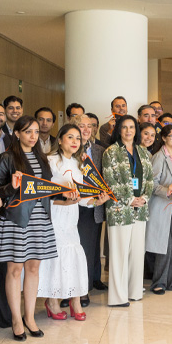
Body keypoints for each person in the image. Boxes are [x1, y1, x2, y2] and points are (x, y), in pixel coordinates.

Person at [0, 115, 57, 340]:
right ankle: (16, 319)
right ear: (17, 133)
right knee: (15, 269)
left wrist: (65, 193)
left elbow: (47, 188)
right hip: (16, 218)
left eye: (36, 132)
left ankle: (29, 317)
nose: (33, 136)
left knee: (33, 268)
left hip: (40, 217)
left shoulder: (42, 157)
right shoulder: (7, 157)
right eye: (28, 131)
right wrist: (12, 186)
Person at [102, 115, 155, 306]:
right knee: (119, 253)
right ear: (119, 130)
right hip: (119, 209)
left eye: (132, 127)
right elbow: (109, 181)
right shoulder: (111, 152)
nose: (128, 131)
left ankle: (134, 292)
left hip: (140, 209)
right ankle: (117, 297)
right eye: (124, 127)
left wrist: (144, 198)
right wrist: (130, 199)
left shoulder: (143, 151)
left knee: (137, 252)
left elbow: (149, 179)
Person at [40, 124, 91, 320]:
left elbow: (83, 195)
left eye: (78, 138)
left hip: (71, 216)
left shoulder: (80, 164)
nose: (75, 142)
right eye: (70, 137)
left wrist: (95, 200)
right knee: (57, 256)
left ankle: (75, 299)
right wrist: (64, 195)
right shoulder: (50, 161)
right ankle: (52, 300)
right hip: (55, 213)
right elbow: (45, 191)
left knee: (73, 254)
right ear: (60, 140)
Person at [146, 125, 172, 294]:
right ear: (163, 138)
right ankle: (159, 282)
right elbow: (153, 185)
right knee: (165, 245)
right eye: (171, 136)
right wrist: (167, 191)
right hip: (163, 205)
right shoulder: (158, 157)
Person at [75, 114, 109, 295]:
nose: (86, 129)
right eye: (81, 126)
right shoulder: (69, 149)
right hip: (75, 205)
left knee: (94, 245)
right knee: (82, 247)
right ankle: (83, 288)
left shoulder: (99, 150)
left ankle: (95, 279)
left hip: (96, 203)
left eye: (89, 126)